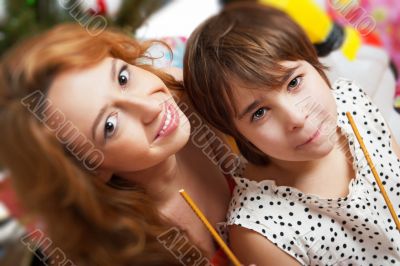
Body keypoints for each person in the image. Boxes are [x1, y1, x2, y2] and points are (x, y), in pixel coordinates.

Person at [0, 23, 236, 266]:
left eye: (123, 78)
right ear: (90, 169)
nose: (151, 108)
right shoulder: (122, 254)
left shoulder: (193, 89)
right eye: (110, 125)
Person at [183, 2, 400, 265]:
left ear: (313, 62)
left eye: (293, 82)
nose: (296, 117)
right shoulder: (262, 232)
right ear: (235, 131)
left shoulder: (354, 104)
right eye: (259, 113)